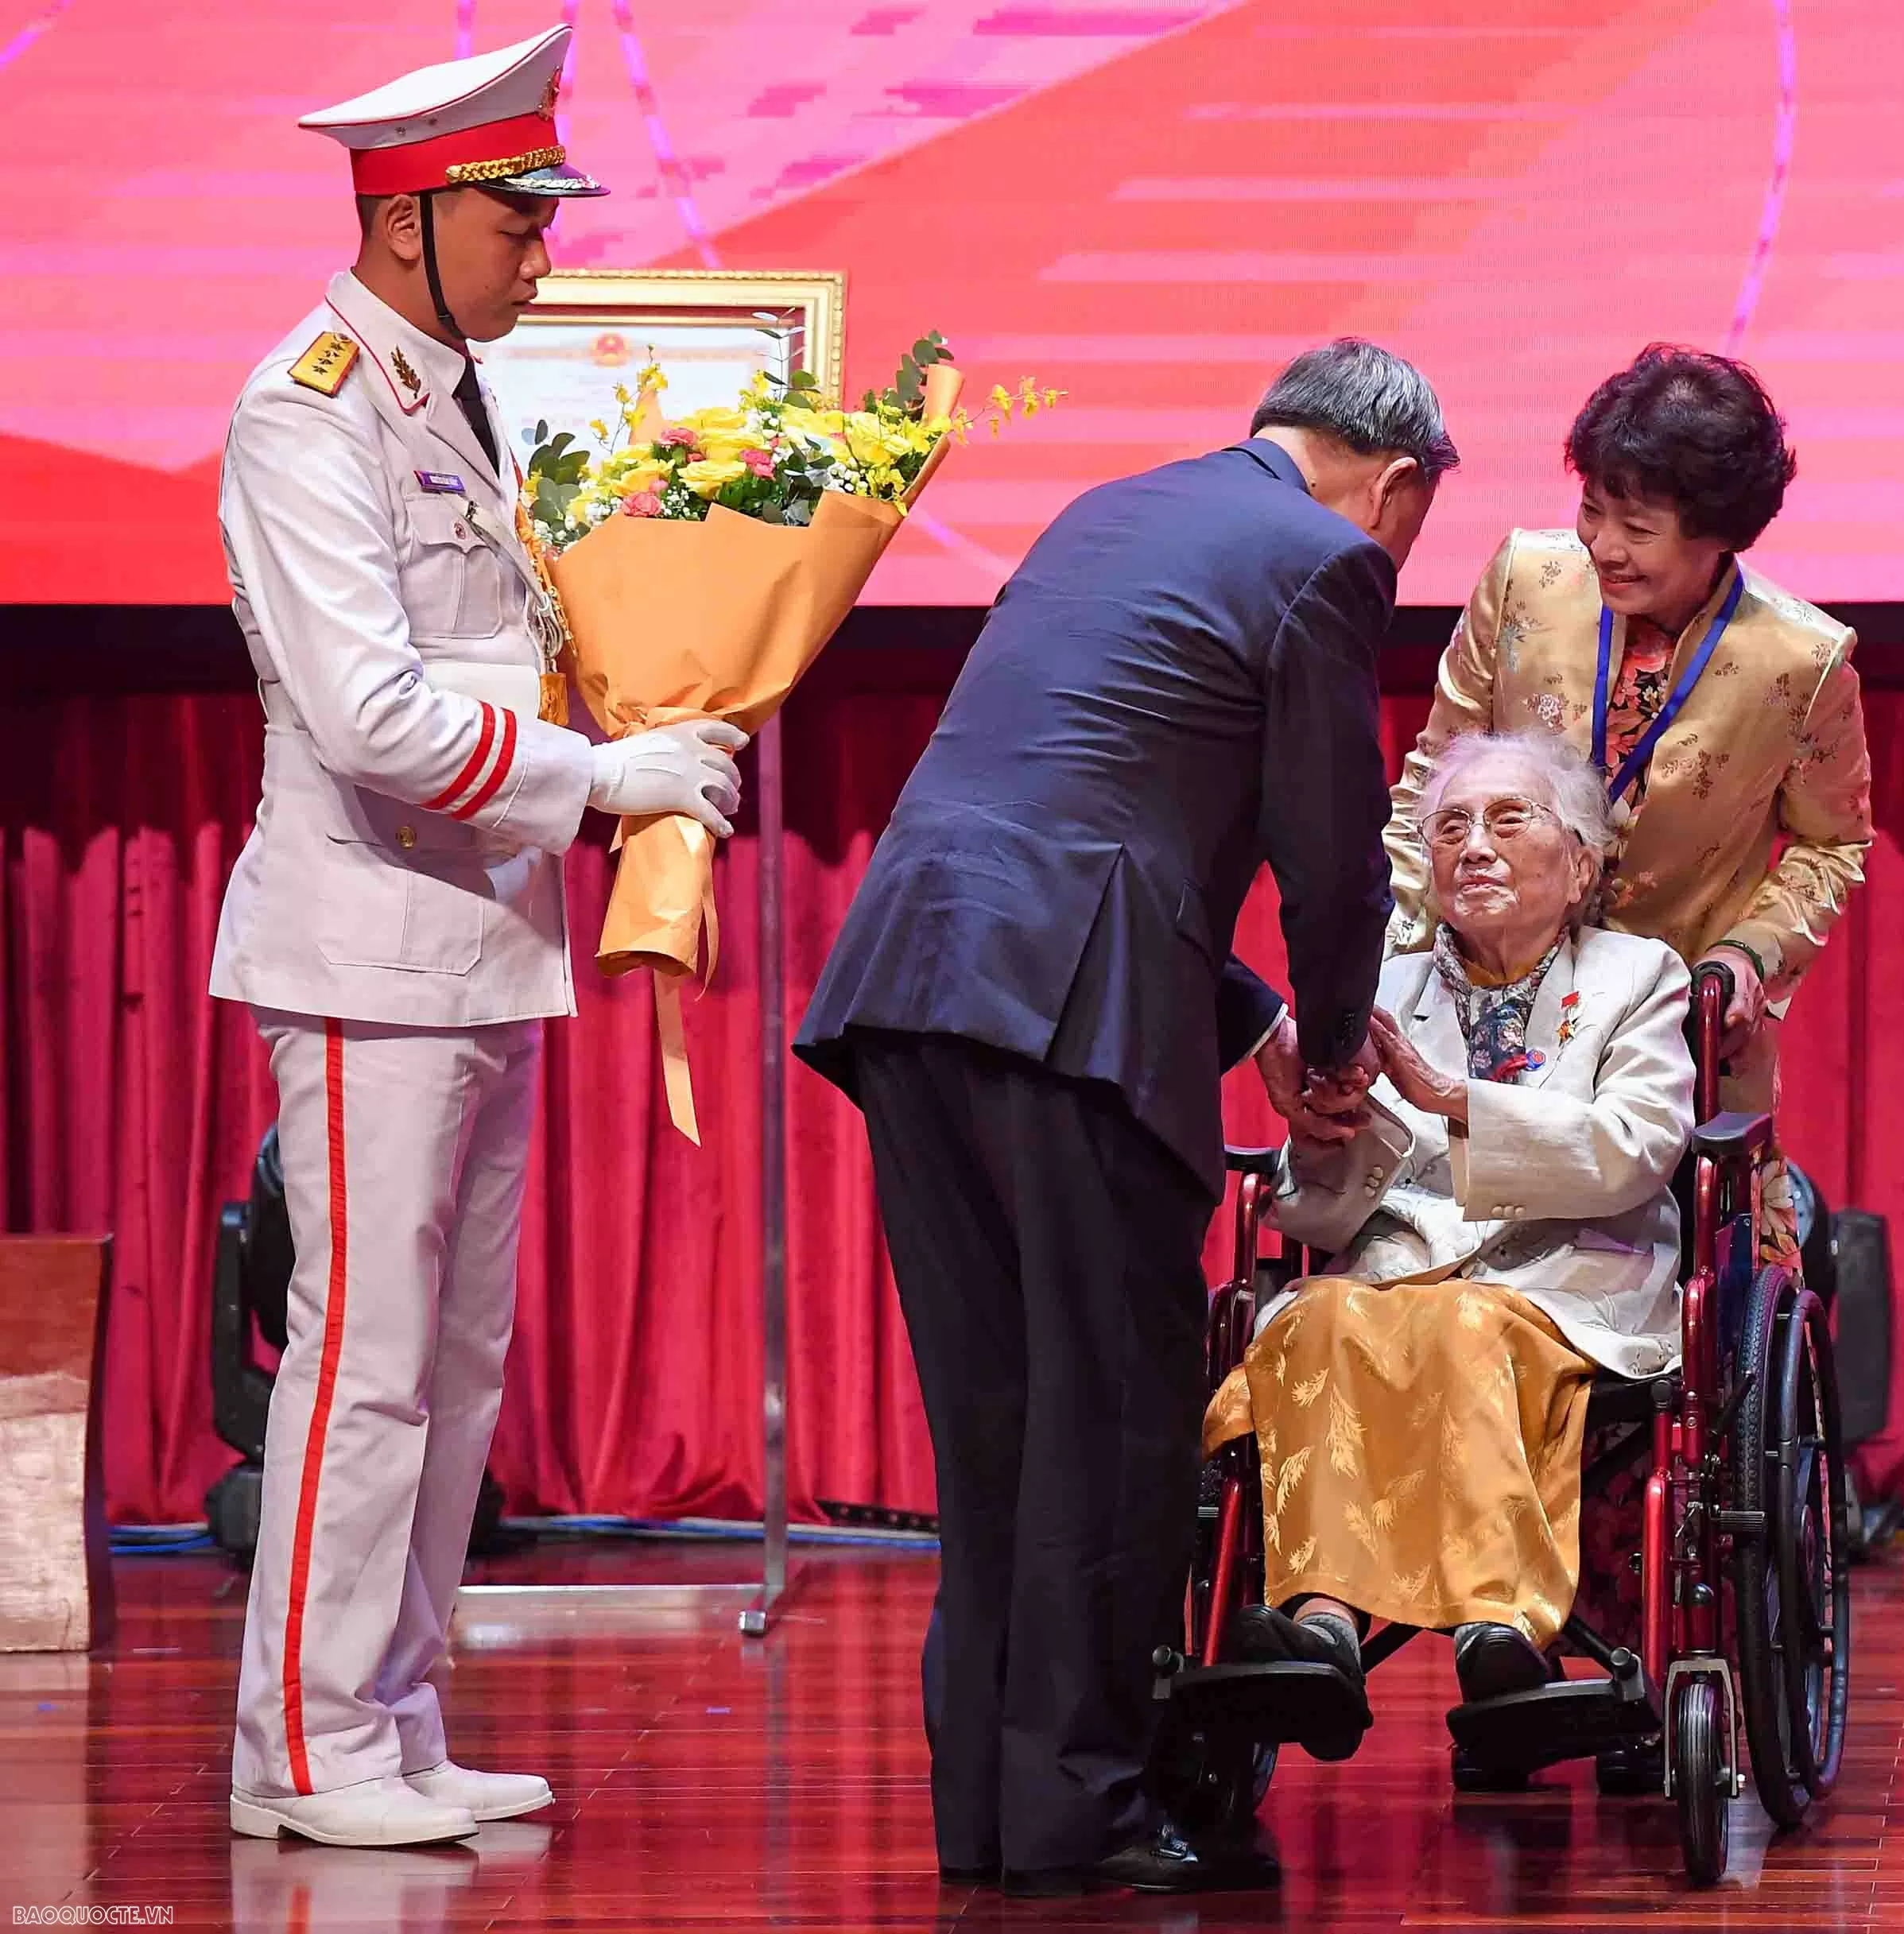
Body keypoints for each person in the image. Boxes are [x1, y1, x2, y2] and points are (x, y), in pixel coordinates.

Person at [794, 340, 1456, 1897]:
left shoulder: (1110, 511)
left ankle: (997, 1821)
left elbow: (1081, 800)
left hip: (914, 976)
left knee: (1000, 1428)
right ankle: (1080, 1815)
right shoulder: (1325, 559)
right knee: (1111, 1425)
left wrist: (1264, 1023)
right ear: (1400, 484)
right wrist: (1345, 1047)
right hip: (1064, 1020)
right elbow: (1333, 855)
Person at [219, 28, 746, 1851]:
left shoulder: (454, 389)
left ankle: (392, 1713)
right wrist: (604, 778)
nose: (542, 251)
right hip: (365, 950)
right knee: (361, 1360)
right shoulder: (307, 403)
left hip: (473, 941)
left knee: (454, 1372)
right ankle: (303, 1745)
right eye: (513, 217)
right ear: (406, 217)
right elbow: (371, 717)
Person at [1203, 731, 1694, 1742]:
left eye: (1509, 820)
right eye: (1451, 828)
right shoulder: (1382, 988)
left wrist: (1448, 1101)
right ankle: (1323, 1625)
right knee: (1313, 1320)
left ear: (1582, 861)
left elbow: (1638, 1149)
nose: (1474, 847)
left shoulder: (1637, 975)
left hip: (1567, 1279)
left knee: (1468, 1324)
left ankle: (1500, 1623)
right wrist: (1337, 1127)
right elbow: (1314, 1205)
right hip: (1392, 1274)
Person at [1386, 345, 1873, 1262]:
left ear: (1718, 533)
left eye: (1637, 527)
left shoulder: (1800, 662)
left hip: (1668, 1020)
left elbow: (1830, 843)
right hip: (1478, 986)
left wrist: (1745, 955)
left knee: (1705, 1280)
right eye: (1592, 510)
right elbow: (1435, 773)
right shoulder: (1524, 581)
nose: (1602, 546)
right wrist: (1399, 954)